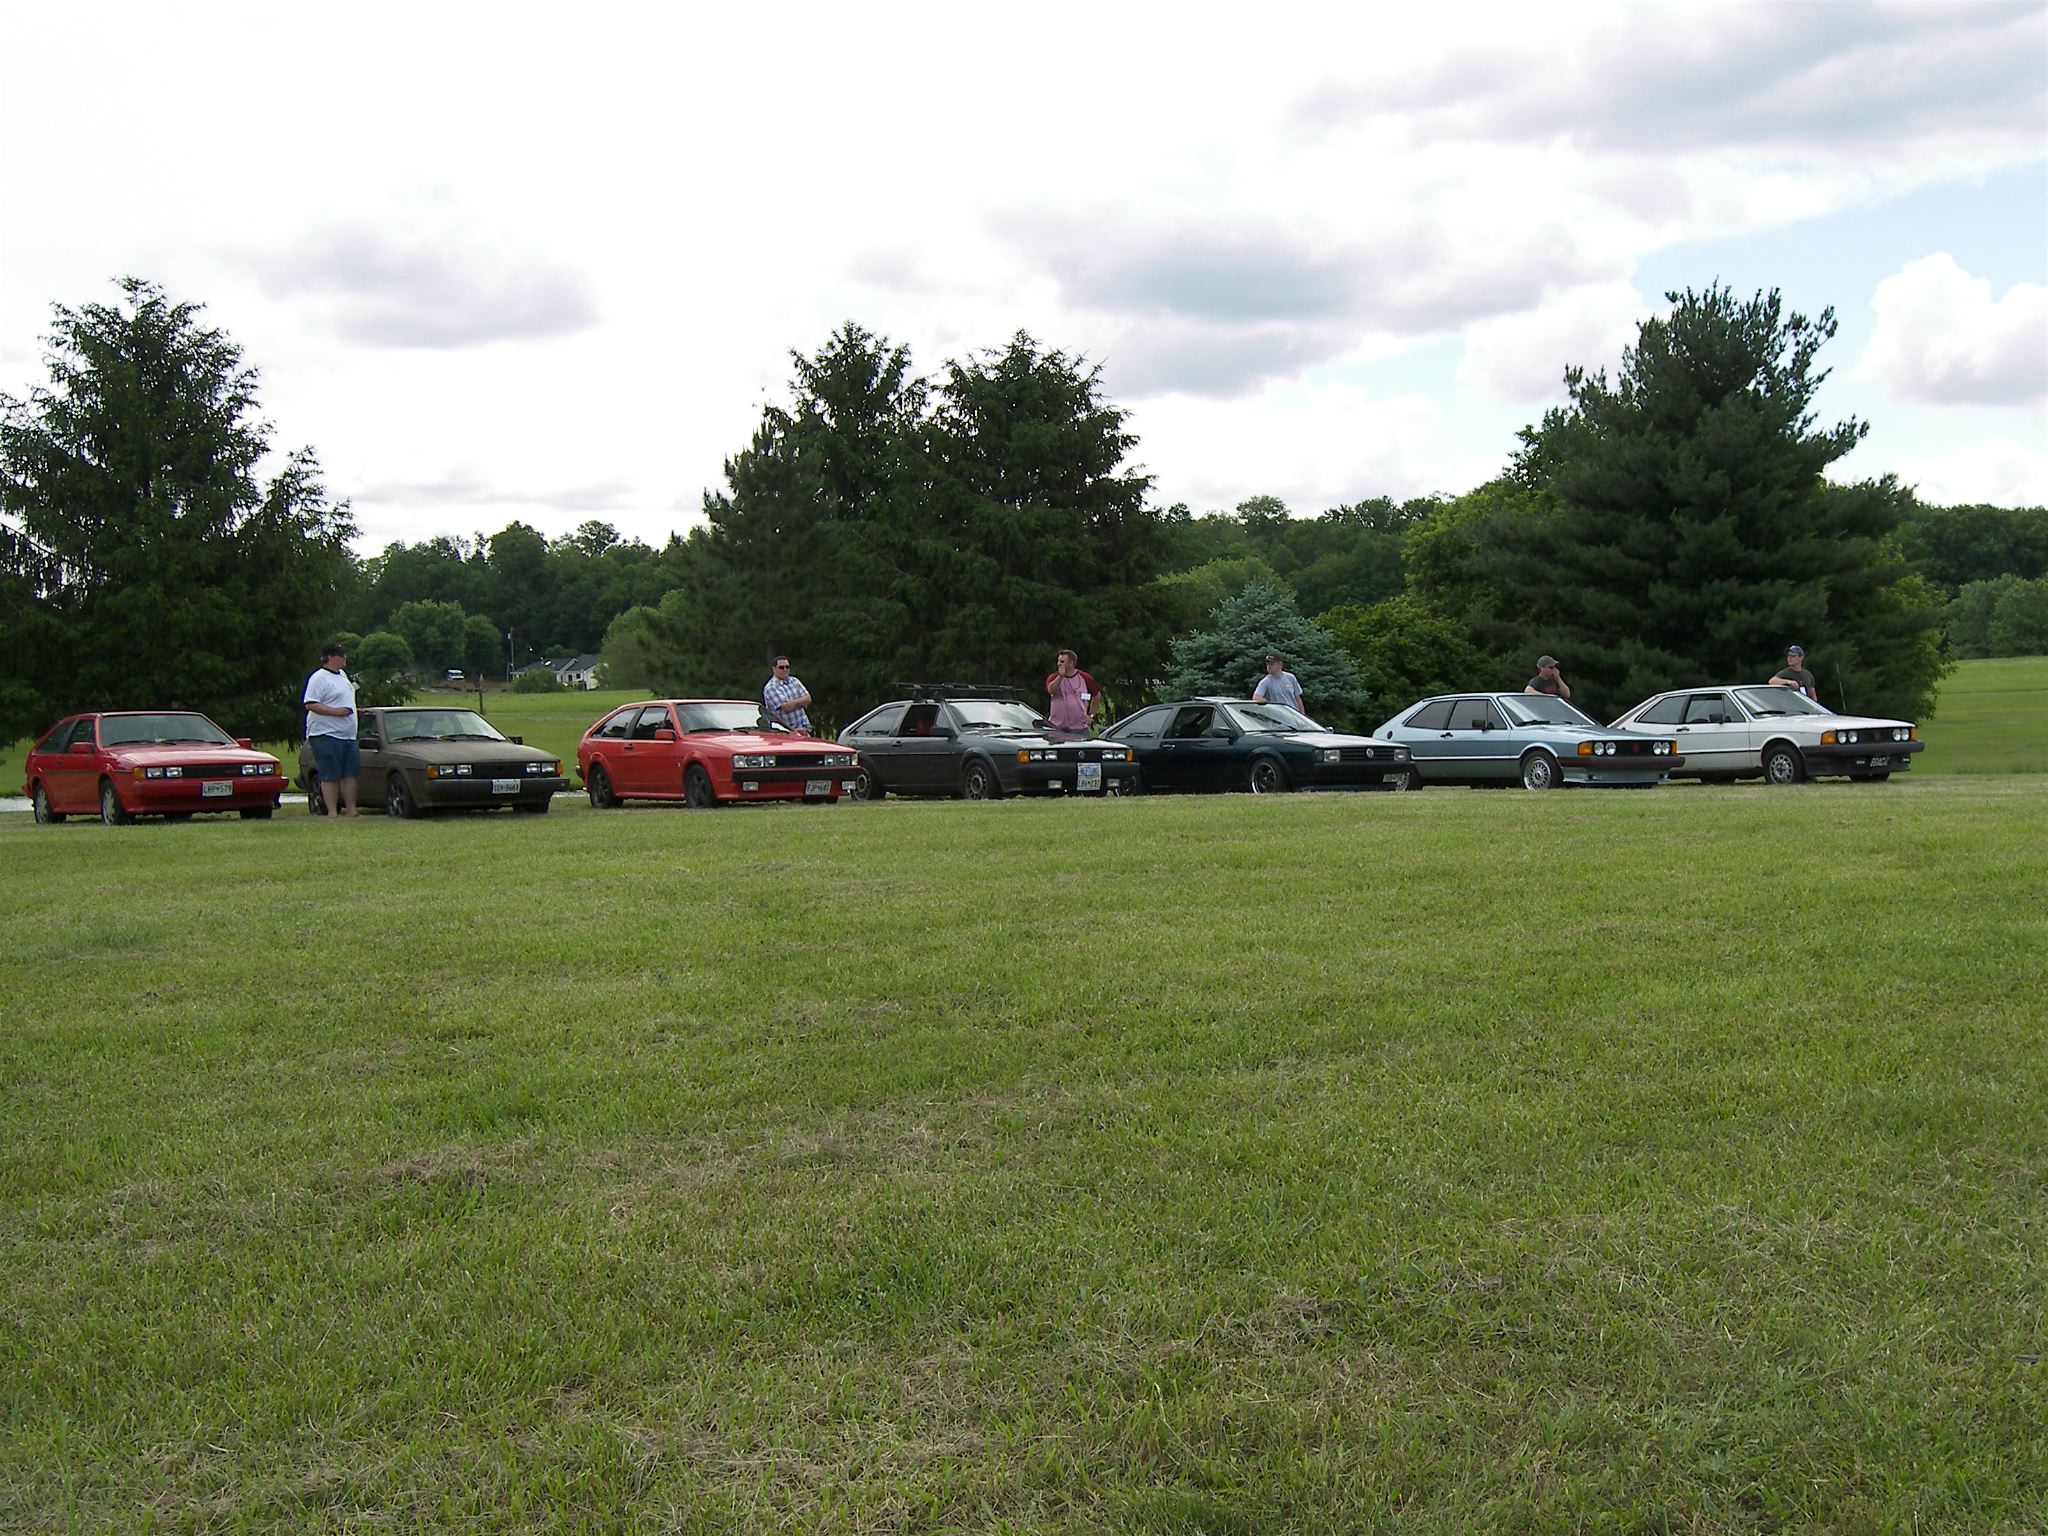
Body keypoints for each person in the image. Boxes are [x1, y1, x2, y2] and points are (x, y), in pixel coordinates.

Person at [302, 641, 360, 817]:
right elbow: (310, 704)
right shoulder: (319, 678)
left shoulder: (342, 675)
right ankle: (332, 812)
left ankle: (351, 809)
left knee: (350, 772)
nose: (345, 659)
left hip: (348, 734)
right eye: (342, 655)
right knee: (330, 773)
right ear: (331, 657)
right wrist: (336, 712)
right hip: (326, 733)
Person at [1045, 649, 1101, 734]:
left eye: (1062, 661)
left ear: (1071, 663)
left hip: (1079, 728)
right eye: (1058, 661)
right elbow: (1051, 690)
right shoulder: (1053, 677)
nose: (1059, 664)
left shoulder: (1084, 677)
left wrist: (1091, 715)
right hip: (1057, 727)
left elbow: (1097, 695)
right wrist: (1060, 677)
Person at [762, 655, 813, 733]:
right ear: (774, 669)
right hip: (784, 733)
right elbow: (786, 707)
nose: (785, 669)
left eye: (787, 667)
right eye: (781, 667)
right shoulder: (770, 688)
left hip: (804, 730)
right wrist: (801, 702)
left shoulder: (795, 681)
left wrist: (793, 703)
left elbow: (808, 699)